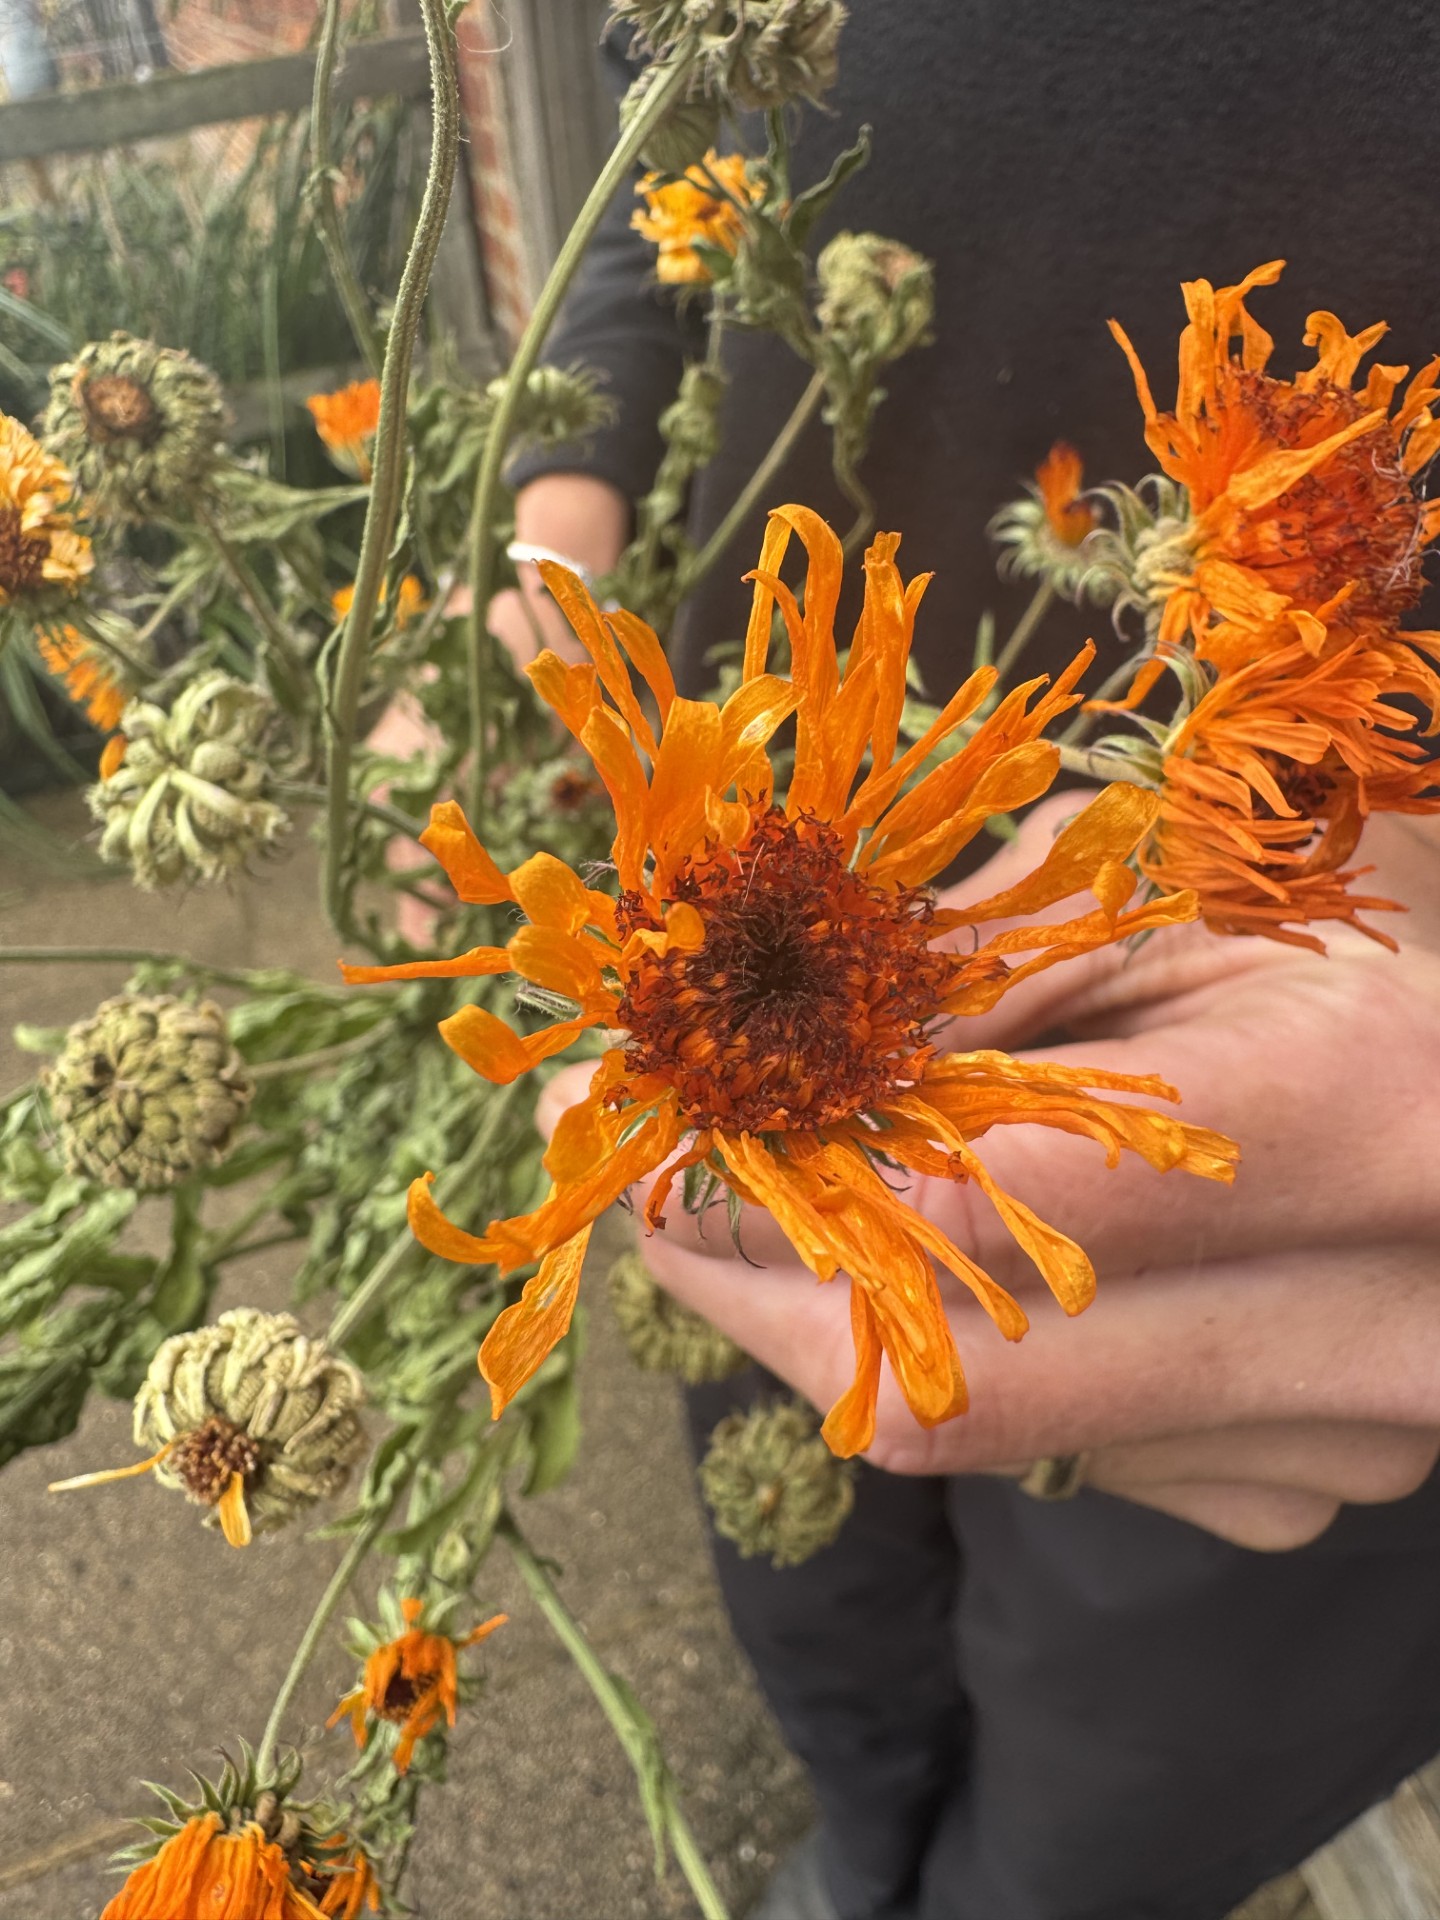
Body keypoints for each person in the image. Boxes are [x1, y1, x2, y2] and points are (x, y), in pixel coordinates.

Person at [494, 6, 1440, 1916]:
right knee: (807, 1580)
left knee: (1110, 1806)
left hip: (1317, 1099)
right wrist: (558, 529)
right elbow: (662, 158)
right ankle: (856, 1852)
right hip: (736, 890)